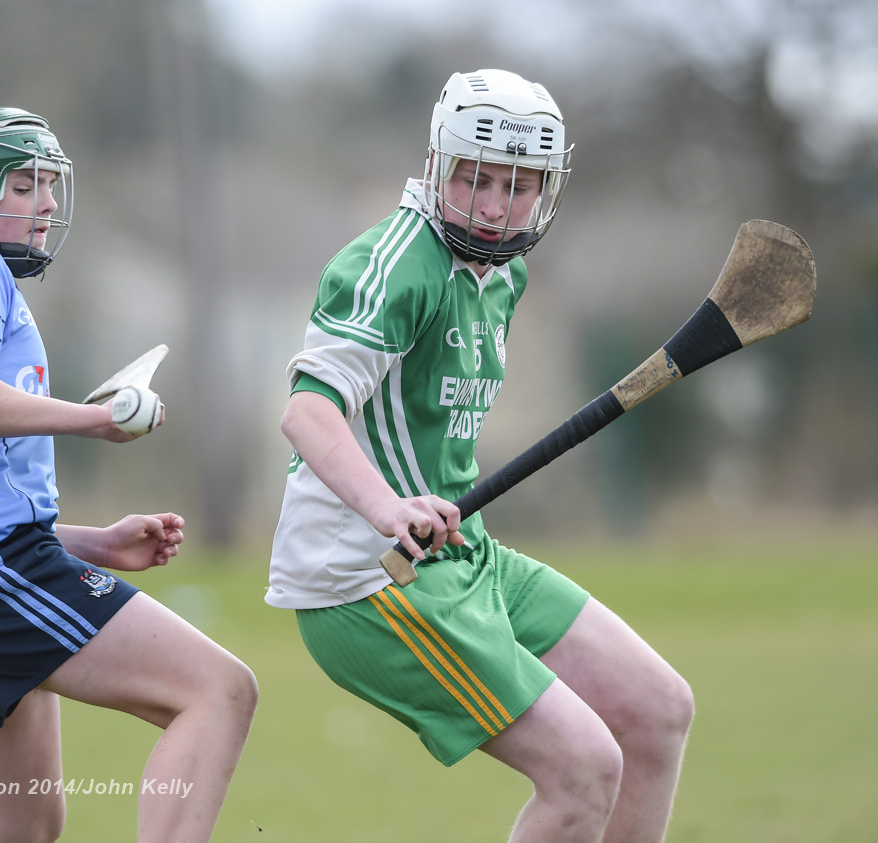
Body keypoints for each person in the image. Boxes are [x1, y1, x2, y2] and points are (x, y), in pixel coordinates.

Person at [267, 70, 694, 842]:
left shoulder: (504, 273)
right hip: (366, 575)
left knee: (658, 711)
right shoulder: (395, 262)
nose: (496, 207)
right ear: (437, 166)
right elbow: (308, 412)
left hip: (464, 555)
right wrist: (386, 507)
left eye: (520, 185)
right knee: (582, 767)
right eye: (477, 179)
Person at [0, 108, 257, 843]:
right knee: (217, 689)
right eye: (25, 182)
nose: (47, 201)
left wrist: (91, 544)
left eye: (49, 182)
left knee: (21, 830)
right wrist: (95, 419)